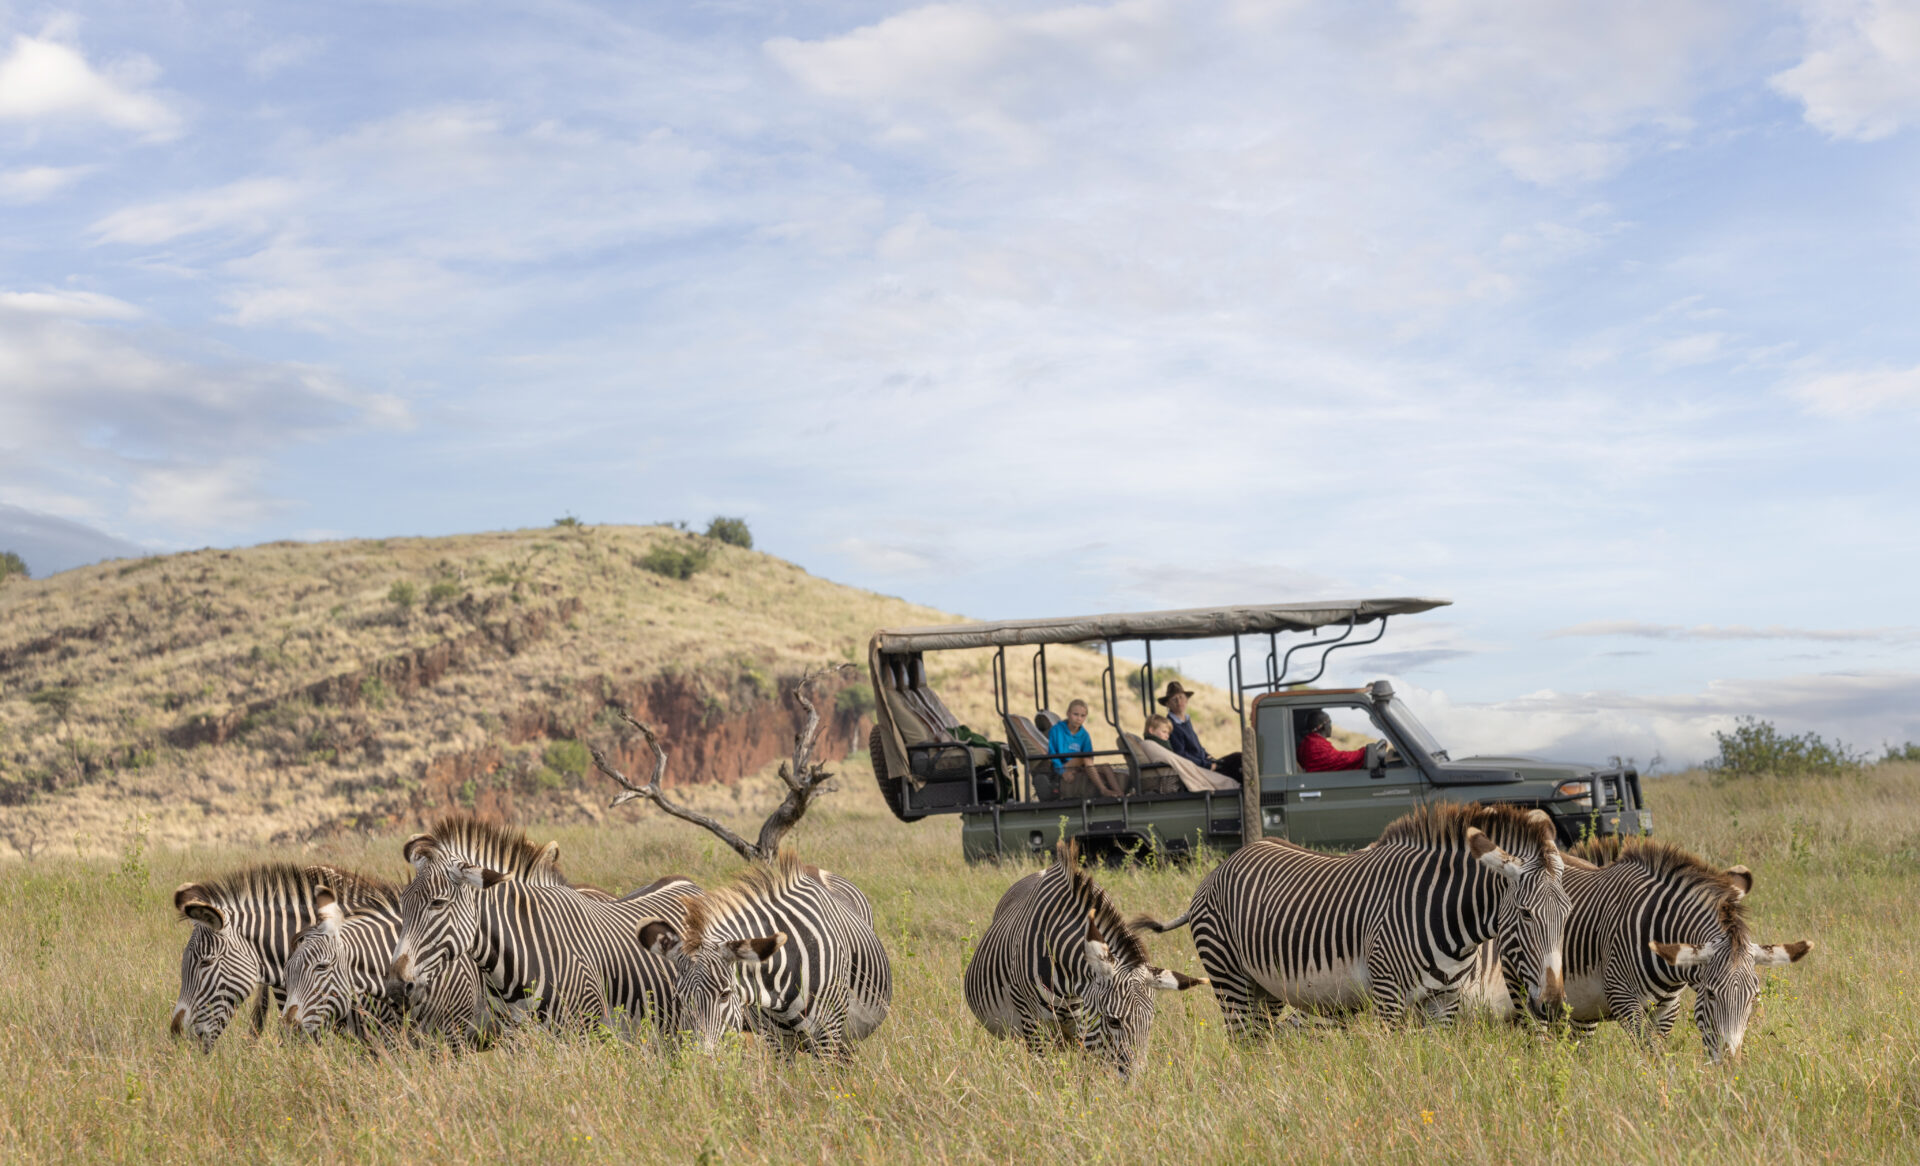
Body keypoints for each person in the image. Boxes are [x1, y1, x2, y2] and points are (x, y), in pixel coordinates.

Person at [1156, 681, 1243, 780]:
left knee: (1239, 759)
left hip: (1205, 763)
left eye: (1181, 697)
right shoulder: (1171, 726)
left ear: (1186, 700)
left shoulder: (1185, 721)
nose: (1179, 701)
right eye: (1174, 699)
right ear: (1168, 704)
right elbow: (1181, 755)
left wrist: (1207, 755)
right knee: (1238, 762)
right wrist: (1207, 765)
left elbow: (1195, 748)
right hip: (1198, 770)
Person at [1048, 699, 1123, 797]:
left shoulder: (1084, 735)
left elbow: (1090, 757)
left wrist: (1083, 767)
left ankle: (1120, 794)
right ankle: (1103, 790)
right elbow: (1052, 755)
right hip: (1063, 766)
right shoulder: (1056, 730)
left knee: (1106, 767)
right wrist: (1063, 772)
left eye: (1082, 716)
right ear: (1068, 713)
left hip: (1081, 766)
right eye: (1075, 714)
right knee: (1084, 757)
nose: (1079, 718)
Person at [1296, 708, 1390, 773]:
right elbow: (1341, 759)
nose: (1331, 727)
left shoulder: (1308, 742)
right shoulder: (1315, 746)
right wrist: (1366, 752)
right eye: (1330, 723)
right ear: (1324, 726)